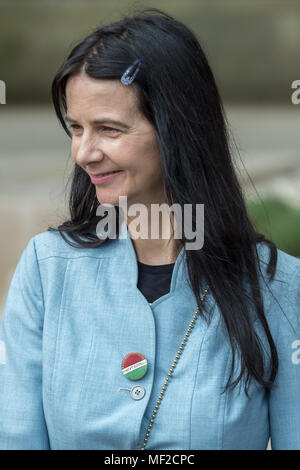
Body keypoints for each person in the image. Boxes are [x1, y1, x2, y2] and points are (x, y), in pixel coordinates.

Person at [0, 8, 299, 450]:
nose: (83, 153)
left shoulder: (279, 287)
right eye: (76, 128)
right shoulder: (48, 269)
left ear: (176, 129)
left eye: (108, 129)